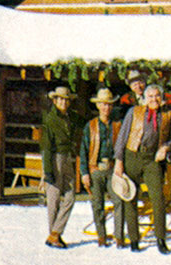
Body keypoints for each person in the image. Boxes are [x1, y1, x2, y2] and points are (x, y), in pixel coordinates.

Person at [114, 84, 171, 254]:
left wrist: (165, 147)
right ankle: (134, 239)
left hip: (153, 159)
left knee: (158, 198)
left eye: (157, 96)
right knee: (130, 197)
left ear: (162, 97)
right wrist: (119, 161)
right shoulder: (134, 112)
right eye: (150, 96)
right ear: (145, 98)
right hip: (132, 155)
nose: (154, 99)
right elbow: (122, 136)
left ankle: (160, 239)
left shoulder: (169, 115)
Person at [79, 88, 126, 248]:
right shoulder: (90, 126)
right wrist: (84, 173)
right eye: (103, 104)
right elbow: (83, 151)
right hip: (96, 170)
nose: (106, 108)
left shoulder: (118, 126)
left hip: (113, 169)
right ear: (98, 105)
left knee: (119, 201)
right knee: (97, 204)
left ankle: (119, 237)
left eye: (109, 105)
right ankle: (102, 236)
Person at [40, 86, 85, 249]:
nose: (64, 102)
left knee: (70, 195)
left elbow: (83, 122)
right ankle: (54, 235)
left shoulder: (71, 117)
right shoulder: (50, 119)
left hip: (67, 157)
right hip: (54, 157)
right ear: (55, 100)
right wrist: (48, 170)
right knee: (54, 198)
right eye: (61, 99)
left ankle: (54, 233)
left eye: (66, 99)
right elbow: (45, 146)